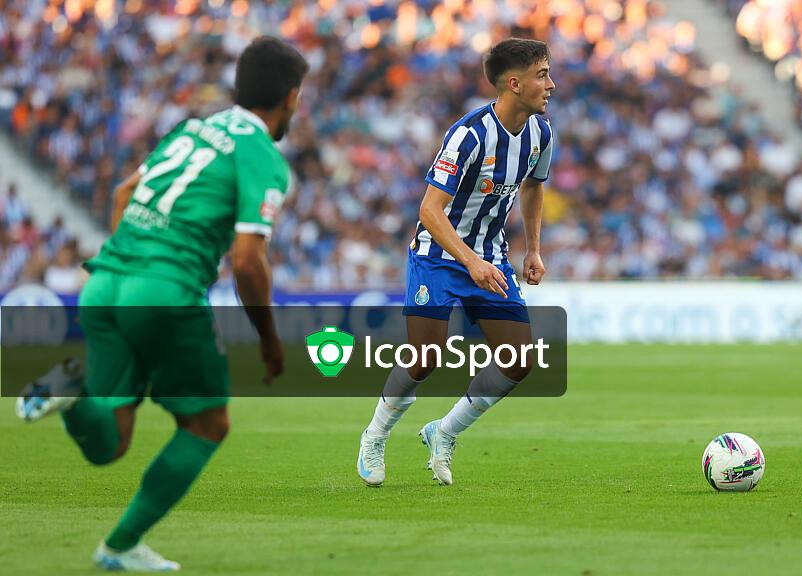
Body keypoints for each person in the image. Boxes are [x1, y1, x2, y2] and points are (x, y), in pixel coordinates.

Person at [16, 36, 308, 571]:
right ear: (291, 98)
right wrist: (269, 340)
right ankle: (119, 547)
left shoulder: (191, 131)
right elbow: (247, 260)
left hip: (105, 284)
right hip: (164, 292)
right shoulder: (263, 154)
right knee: (207, 425)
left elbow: (124, 195)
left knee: (111, 442)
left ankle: (74, 396)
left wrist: (130, 264)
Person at [356, 38, 555, 487]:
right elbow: (430, 209)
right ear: (514, 82)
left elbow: (534, 187)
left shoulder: (542, 132)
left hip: (490, 257)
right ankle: (375, 433)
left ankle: (443, 433)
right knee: (426, 356)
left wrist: (534, 248)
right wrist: (468, 261)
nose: (551, 84)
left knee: (519, 360)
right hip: (440, 256)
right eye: (542, 74)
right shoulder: (469, 135)